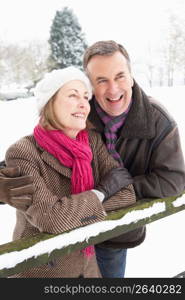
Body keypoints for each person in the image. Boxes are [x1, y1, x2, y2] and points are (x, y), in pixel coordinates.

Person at [4, 66, 136, 278]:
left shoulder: (91, 141)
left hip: (88, 268)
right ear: (49, 103)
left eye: (85, 96)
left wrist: (69, 209)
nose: (84, 104)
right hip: (42, 272)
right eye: (73, 95)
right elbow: (52, 219)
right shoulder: (23, 152)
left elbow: (127, 193)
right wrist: (101, 192)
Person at [82, 40, 185, 278]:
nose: (113, 89)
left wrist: (114, 190)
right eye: (102, 80)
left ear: (130, 76)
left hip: (113, 232)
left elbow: (173, 180)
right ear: (90, 85)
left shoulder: (158, 119)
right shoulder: (77, 111)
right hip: (65, 230)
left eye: (120, 76)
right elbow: (43, 148)